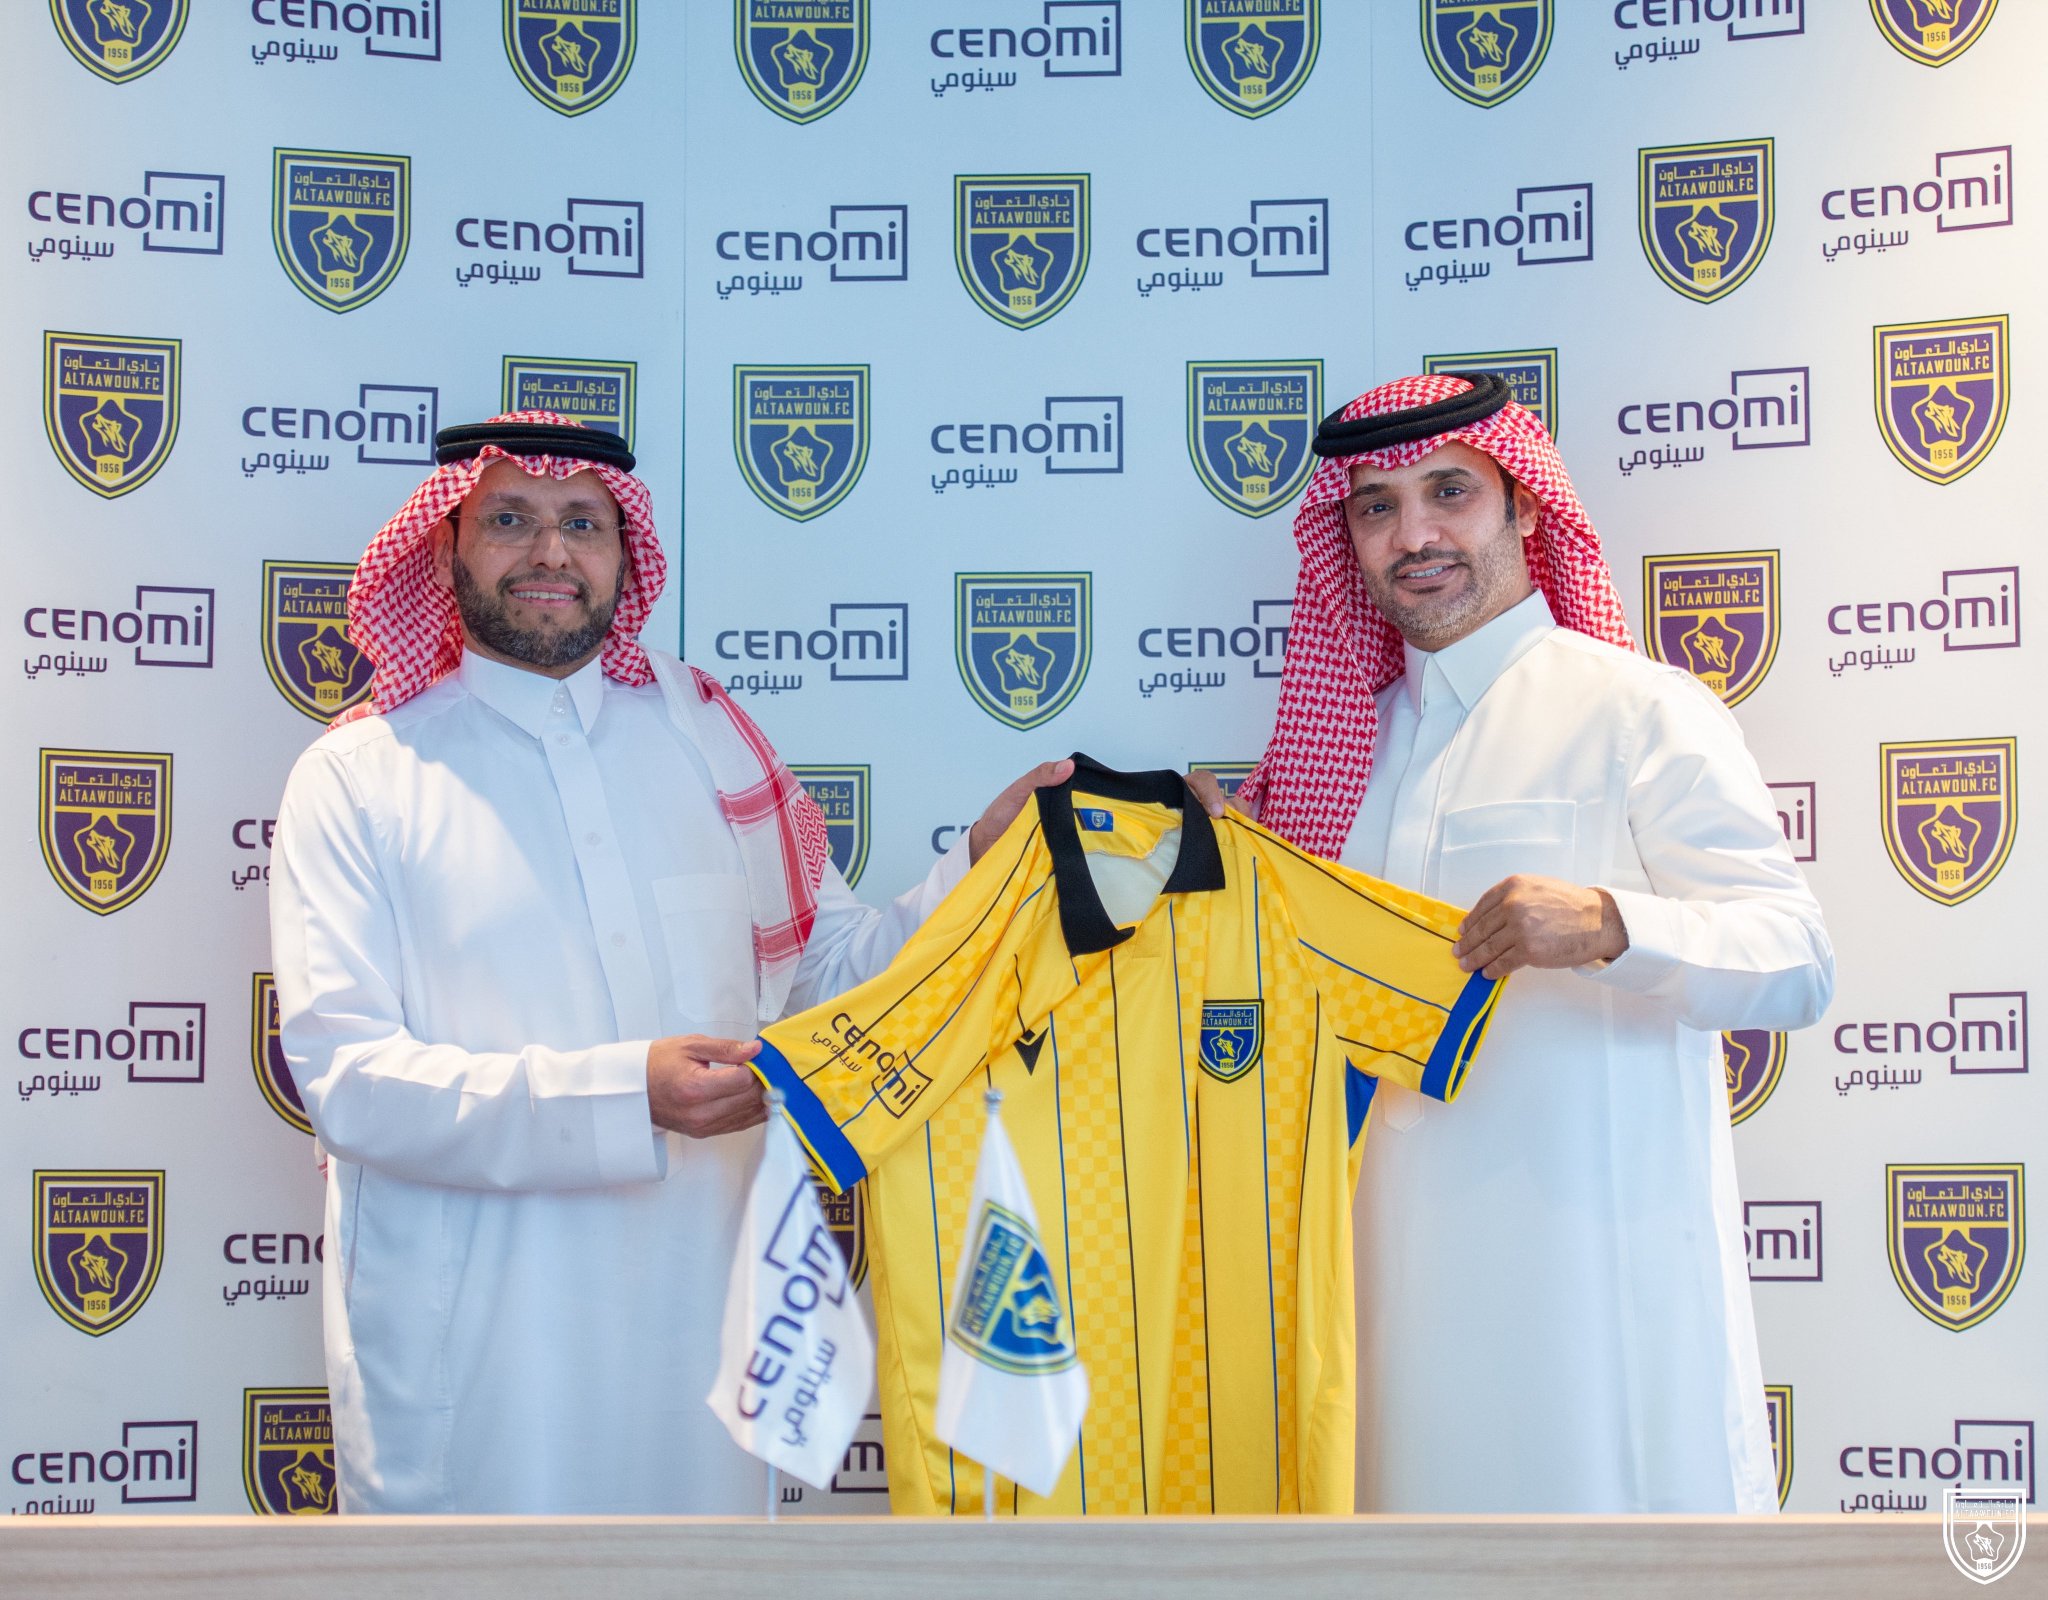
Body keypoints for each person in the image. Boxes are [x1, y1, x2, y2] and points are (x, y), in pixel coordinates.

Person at [268, 412, 1069, 1513]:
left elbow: (833, 981)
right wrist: (625, 1094)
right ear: (446, 547)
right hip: (479, 1360)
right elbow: (351, 1081)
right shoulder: (359, 777)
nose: (550, 552)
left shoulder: (709, 744)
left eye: (581, 524)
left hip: (703, 1342)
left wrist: (981, 858)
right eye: (509, 520)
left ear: (623, 551)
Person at [1189, 373, 1833, 1513]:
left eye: (1450, 492)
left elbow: (1795, 958)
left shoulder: (1636, 710)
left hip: (1591, 1300)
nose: (1413, 536)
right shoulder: (1335, 760)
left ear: (1524, 506)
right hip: (1381, 1297)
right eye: (1376, 507)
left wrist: (1614, 925)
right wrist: (1217, 866)